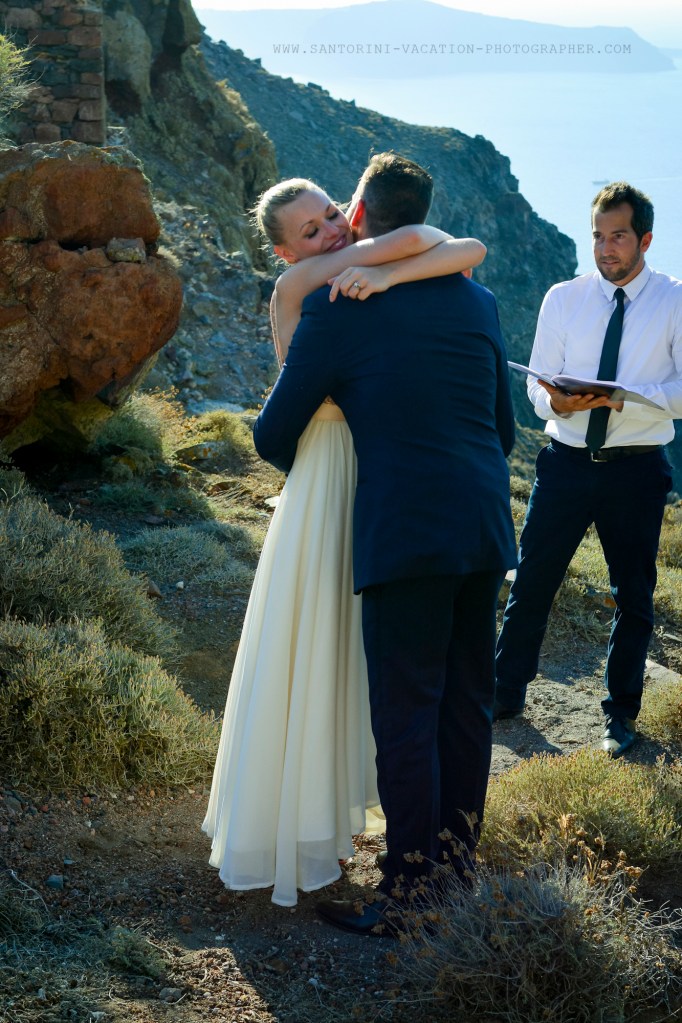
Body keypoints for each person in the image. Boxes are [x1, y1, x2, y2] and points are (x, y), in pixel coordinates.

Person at [202, 160, 487, 908]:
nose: (330, 229)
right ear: (284, 251)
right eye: (311, 227)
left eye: (332, 211)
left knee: (404, 700)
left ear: (354, 207)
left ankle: (413, 884)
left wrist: (383, 276)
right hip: (412, 503)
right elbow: (457, 252)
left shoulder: (351, 289)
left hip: (386, 504)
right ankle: (444, 869)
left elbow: (447, 242)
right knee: (446, 699)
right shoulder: (318, 291)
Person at [494, 181, 681, 758]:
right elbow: (535, 379)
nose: (605, 249)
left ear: (645, 238)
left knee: (635, 596)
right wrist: (557, 403)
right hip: (565, 465)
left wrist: (623, 396)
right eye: (598, 236)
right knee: (531, 583)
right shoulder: (563, 298)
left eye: (618, 236)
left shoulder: (675, 301)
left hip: (636, 470)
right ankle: (504, 695)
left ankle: (619, 716)